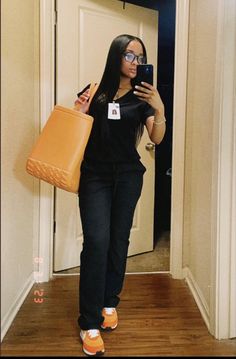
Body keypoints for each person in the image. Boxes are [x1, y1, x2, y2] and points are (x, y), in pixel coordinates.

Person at [75, 34, 166, 356]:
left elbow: (156, 135)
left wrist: (159, 108)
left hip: (128, 176)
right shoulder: (95, 93)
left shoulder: (143, 98)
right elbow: (80, 134)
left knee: (118, 241)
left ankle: (108, 302)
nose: (134, 63)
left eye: (140, 58)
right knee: (97, 242)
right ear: (116, 56)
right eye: (129, 55)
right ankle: (88, 322)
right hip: (95, 176)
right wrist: (81, 111)